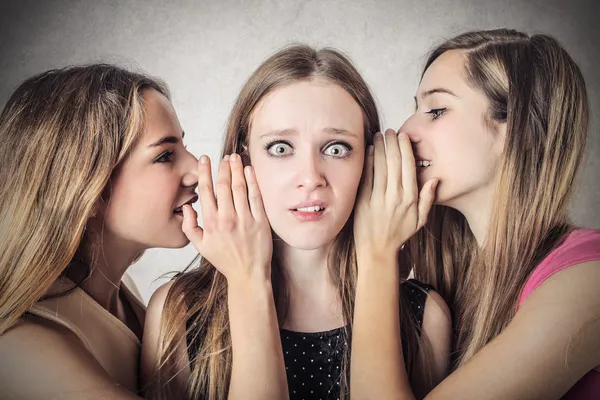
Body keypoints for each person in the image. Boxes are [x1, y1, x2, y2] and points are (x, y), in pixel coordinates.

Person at [141, 44, 452, 400]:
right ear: (244, 158)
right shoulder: (178, 314)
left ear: (369, 162)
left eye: (336, 148)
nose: (310, 177)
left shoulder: (423, 318)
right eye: (280, 148)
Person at [351, 28, 600, 399]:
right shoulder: (453, 281)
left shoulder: (589, 278)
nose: (404, 131)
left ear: (516, 129)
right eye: (415, 109)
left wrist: (375, 253)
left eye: (436, 110)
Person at [0, 64, 198, 399]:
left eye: (183, 146)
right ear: (84, 186)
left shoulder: (118, 294)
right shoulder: (23, 347)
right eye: (165, 155)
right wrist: (251, 284)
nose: (196, 169)